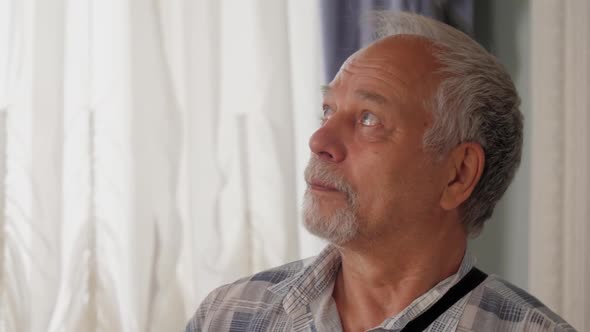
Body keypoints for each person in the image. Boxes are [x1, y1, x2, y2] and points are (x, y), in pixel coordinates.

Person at [186, 12, 575, 332]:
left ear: (458, 174)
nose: (320, 140)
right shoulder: (228, 315)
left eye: (369, 119)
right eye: (328, 110)